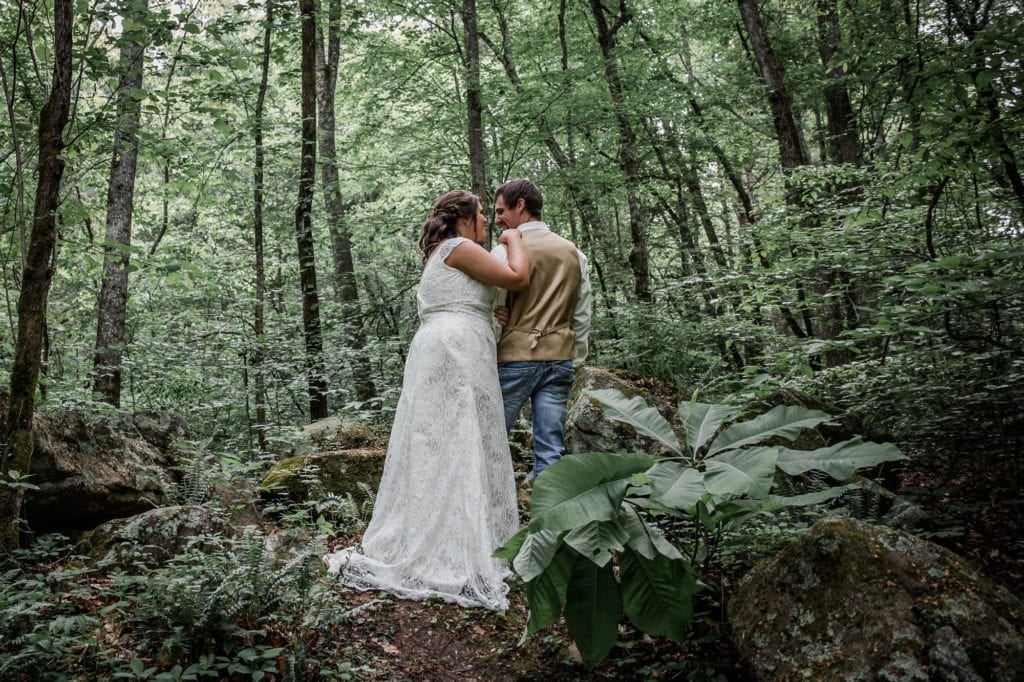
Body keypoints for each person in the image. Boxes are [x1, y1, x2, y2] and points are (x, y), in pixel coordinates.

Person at [324, 190, 529, 611]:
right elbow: (517, 278)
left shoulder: (444, 252)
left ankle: (457, 533)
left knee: (444, 440)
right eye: (482, 217)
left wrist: (494, 314)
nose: (488, 224)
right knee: (456, 438)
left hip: (446, 345)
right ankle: (453, 546)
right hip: (455, 349)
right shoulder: (458, 246)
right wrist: (515, 240)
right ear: (464, 219)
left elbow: (468, 299)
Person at [491, 179, 592, 481]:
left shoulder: (504, 252)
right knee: (551, 450)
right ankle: (549, 521)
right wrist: (576, 358)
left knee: (491, 438)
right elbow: (582, 313)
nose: (497, 219)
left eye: (500, 210)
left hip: (515, 358)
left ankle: (491, 514)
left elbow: (493, 310)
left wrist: (494, 346)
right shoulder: (574, 253)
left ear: (520, 206)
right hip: (560, 357)